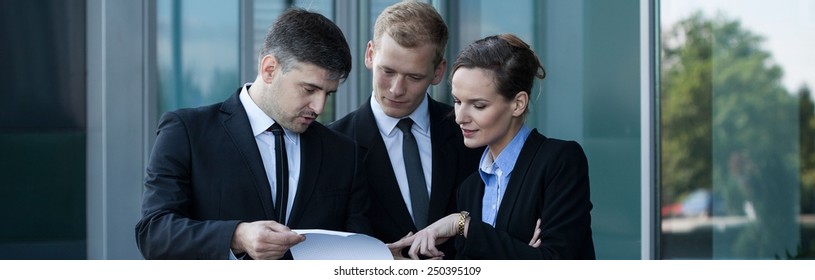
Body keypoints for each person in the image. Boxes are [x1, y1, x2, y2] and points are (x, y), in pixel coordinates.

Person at [134, 8, 371, 260]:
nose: (320, 107)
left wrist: (377, 258)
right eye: (309, 89)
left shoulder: (344, 153)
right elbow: (154, 233)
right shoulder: (186, 132)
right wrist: (236, 236)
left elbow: (354, 249)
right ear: (269, 69)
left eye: (328, 93)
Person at [391, 34, 596, 259]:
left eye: (478, 105)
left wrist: (463, 225)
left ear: (518, 104)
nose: (460, 117)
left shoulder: (559, 161)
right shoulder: (470, 187)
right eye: (458, 101)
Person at [328, 0, 481, 259]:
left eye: (414, 77)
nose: (397, 89)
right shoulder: (331, 145)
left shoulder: (471, 132)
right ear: (369, 54)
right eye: (387, 71)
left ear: (438, 72)